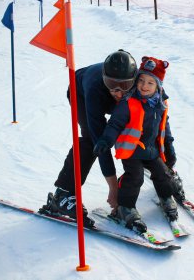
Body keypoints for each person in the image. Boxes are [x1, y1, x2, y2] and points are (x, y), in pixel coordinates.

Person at [48, 49, 138, 220]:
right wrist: (113, 188)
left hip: (107, 95)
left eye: (125, 86)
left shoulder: (142, 84)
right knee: (92, 141)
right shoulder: (95, 88)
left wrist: (164, 166)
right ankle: (63, 193)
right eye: (112, 84)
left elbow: (157, 120)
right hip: (80, 92)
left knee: (138, 126)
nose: (118, 92)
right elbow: (100, 143)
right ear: (105, 79)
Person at [93, 56, 179, 233]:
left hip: (151, 150)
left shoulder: (160, 104)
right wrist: (106, 140)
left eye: (150, 83)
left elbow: (165, 127)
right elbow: (115, 124)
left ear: (158, 87)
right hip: (131, 151)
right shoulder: (128, 103)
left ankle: (165, 196)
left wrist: (169, 148)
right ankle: (125, 207)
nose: (144, 86)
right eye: (141, 80)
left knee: (163, 173)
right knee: (135, 177)